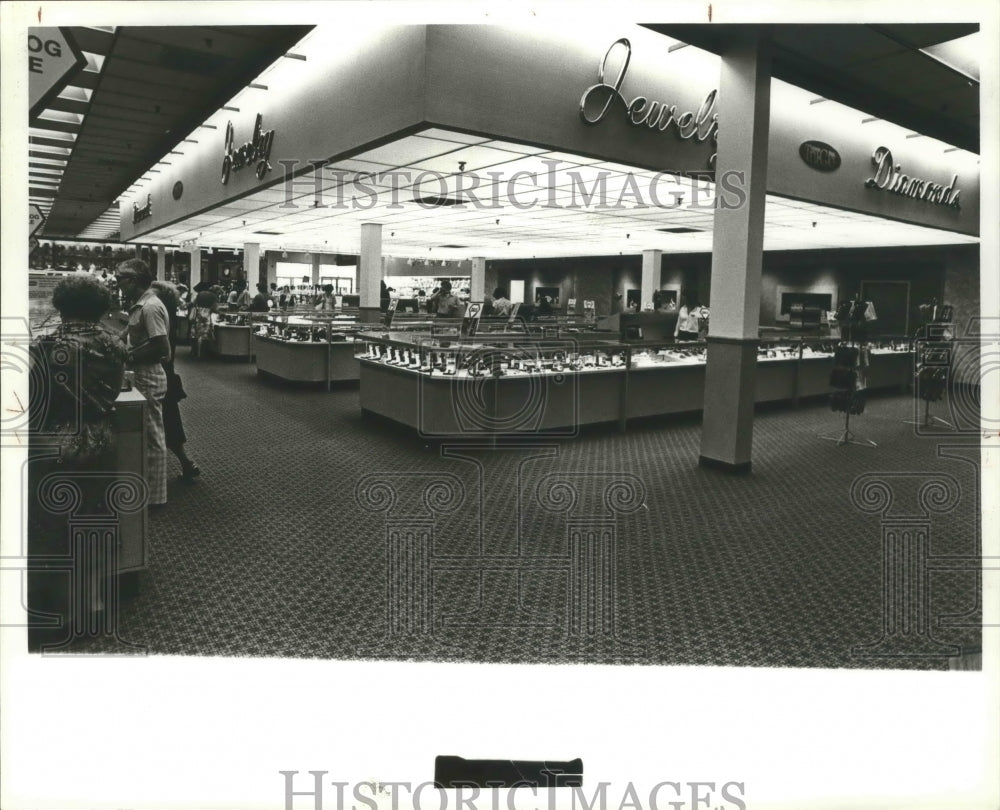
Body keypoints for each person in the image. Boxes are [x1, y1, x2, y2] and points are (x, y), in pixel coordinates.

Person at [28, 274, 127, 631]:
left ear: (60, 305)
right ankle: (96, 601)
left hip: (59, 442)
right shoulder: (115, 343)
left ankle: (67, 611)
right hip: (102, 438)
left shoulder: (45, 345)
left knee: (57, 526)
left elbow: (33, 400)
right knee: (96, 520)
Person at [115, 259, 170, 507]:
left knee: (153, 436)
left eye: (121, 280)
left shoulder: (150, 307)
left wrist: (129, 355)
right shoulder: (140, 306)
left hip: (149, 374)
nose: (118, 285)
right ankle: (149, 489)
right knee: (146, 433)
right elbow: (129, 335)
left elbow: (161, 347)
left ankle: (157, 497)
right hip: (141, 373)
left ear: (134, 280)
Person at [152, 281, 202, 482]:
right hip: (168, 375)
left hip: (159, 374)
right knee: (171, 420)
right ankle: (186, 462)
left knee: (164, 421)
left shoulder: (157, 315)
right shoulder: (168, 314)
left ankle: (180, 464)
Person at [189, 283, 218, 358]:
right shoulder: (213, 296)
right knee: (205, 334)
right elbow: (214, 308)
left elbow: (194, 303)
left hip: (198, 316)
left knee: (195, 334)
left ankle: (194, 351)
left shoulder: (200, 294)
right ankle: (203, 352)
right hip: (206, 317)